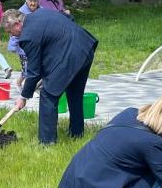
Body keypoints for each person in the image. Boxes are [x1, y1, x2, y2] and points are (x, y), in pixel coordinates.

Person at [6, 8, 98, 144]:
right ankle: (77, 133)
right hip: (85, 47)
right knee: (75, 93)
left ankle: (46, 142)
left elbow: (34, 71)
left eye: (10, 32)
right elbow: (68, 18)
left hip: (70, 56)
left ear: (17, 24)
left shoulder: (27, 36)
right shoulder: (40, 12)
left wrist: (24, 96)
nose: (12, 36)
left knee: (48, 95)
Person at [7, 0, 40, 88]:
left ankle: (29, 86)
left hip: (36, 45)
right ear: (27, 1)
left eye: (35, 1)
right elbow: (14, 32)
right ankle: (23, 85)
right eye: (31, 1)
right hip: (24, 47)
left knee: (32, 67)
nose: (33, 3)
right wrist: (13, 46)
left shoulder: (41, 10)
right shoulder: (21, 13)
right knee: (27, 68)